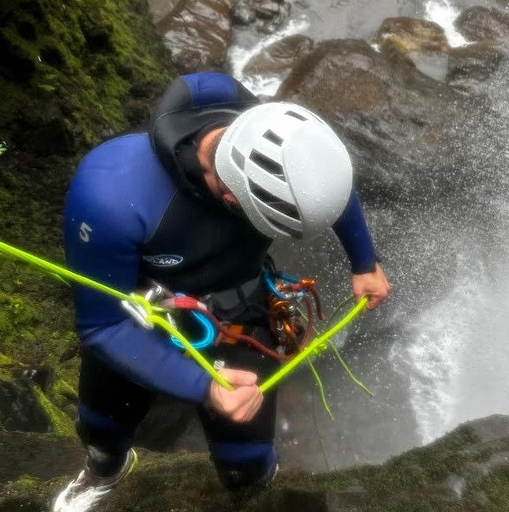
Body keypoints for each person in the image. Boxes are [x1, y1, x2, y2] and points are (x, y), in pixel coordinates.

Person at [52, 72, 390, 512]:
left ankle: (251, 491)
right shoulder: (111, 194)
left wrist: (363, 261)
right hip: (142, 319)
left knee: (245, 460)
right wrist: (204, 388)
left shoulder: (278, 136)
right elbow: (103, 325)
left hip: (242, 312)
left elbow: (329, 187)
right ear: (233, 200)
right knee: (102, 427)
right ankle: (105, 468)